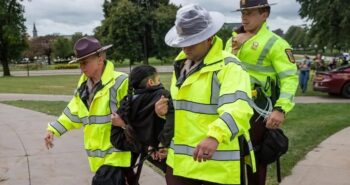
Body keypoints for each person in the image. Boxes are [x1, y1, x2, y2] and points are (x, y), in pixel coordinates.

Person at [158, 4, 255, 185]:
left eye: (192, 41)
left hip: (214, 167)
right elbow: (186, 108)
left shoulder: (229, 67)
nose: (185, 47)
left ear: (209, 37)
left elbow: (238, 108)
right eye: (183, 41)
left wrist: (214, 136)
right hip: (180, 164)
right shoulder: (181, 65)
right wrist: (166, 111)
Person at [225, 0, 299, 184]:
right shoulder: (231, 40)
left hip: (256, 112)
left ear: (264, 14)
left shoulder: (276, 43)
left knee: (255, 161)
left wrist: (280, 109)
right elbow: (223, 70)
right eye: (242, 12)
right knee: (227, 158)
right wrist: (235, 48)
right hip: (228, 108)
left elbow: (290, 78)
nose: (244, 16)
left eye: (250, 12)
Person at [44, 37, 132, 185]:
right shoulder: (83, 88)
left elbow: (136, 115)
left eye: (85, 62)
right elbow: (73, 113)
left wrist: (124, 124)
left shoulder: (121, 82)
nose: (82, 67)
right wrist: (53, 130)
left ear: (100, 59)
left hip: (117, 155)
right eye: (80, 63)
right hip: (98, 160)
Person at [110, 64, 174, 174]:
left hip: (149, 154)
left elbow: (117, 140)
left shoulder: (126, 104)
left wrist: (146, 148)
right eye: (158, 79)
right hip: (168, 155)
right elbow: (174, 122)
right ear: (150, 82)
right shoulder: (163, 97)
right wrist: (161, 145)